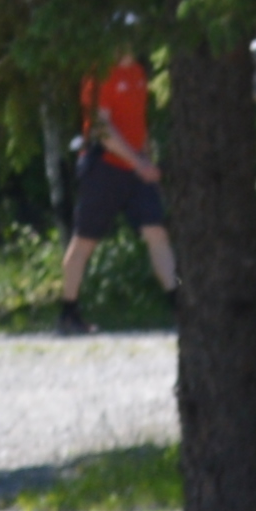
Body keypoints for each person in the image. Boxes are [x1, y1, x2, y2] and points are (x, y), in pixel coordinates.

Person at [54, 38, 171, 332]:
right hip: (103, 167)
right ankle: (68, 312)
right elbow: (103, 130)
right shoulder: (99, 74)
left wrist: (147, 159)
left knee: (157, 232)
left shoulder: (139, 74)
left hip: (136, 167)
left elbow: (139, 123)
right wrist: (139, 162)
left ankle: (180, 300)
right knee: (84, 240)